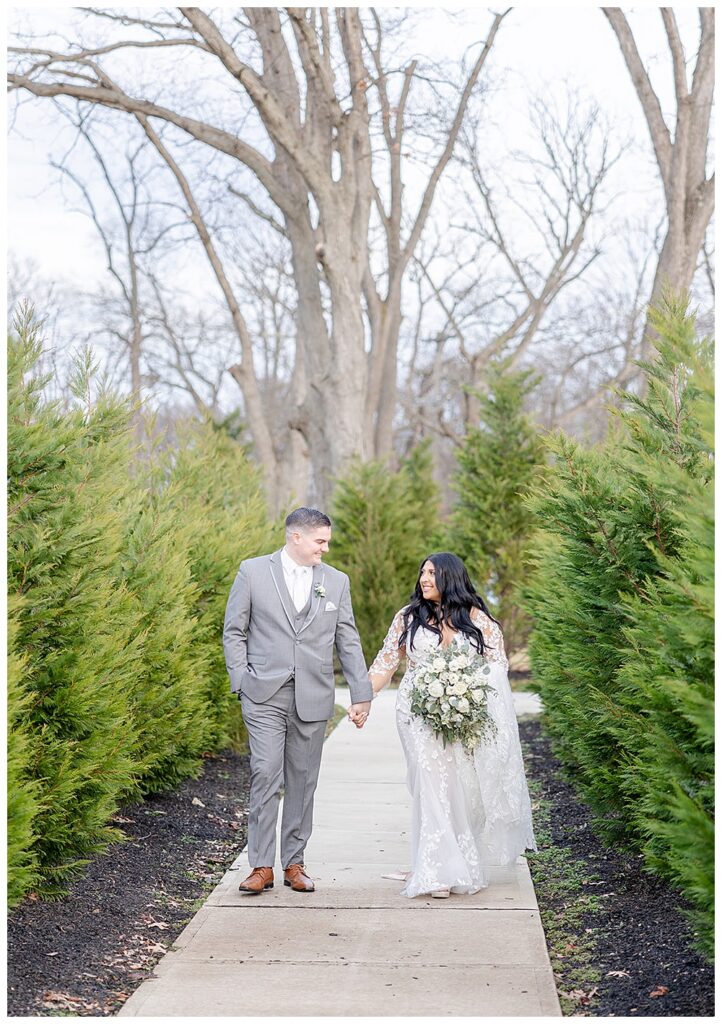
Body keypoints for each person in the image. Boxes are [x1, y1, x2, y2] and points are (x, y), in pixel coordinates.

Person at [368, 552, 537, 898]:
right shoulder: (407, 617)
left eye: (432, 573)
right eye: (422, 572)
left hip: (460, 716)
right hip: (414, 714)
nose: (424, 579)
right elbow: (384, 666)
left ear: (451, 577)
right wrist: (361, 699)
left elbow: (497, 667)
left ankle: (440, 868)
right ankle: (432, 863)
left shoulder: (478, 620)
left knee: (456, 787)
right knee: (425, 782)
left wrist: (465, 689)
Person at [223, 507, 372, 895]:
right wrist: (241, 679)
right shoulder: (253, 572)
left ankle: (294, 863)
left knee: (303, 781)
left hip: (313, 694)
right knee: (265, 773)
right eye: (320, 541)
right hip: (263, 694)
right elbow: (234, 631)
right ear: (296, 537)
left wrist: (361, 694)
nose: (325, 548)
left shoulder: (336, 582)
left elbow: (348, 639)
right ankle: (260, 866)